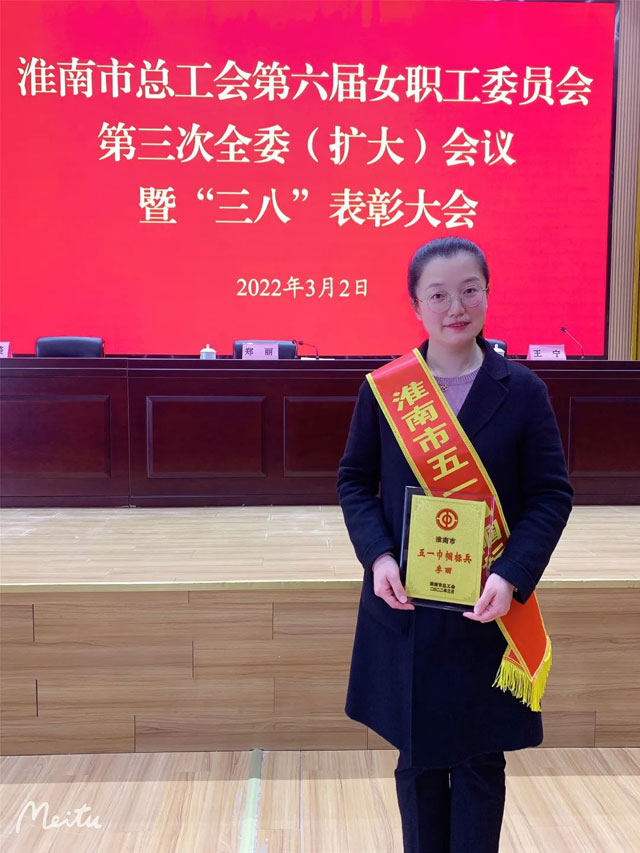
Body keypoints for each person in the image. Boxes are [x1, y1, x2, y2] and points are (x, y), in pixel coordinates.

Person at [337, 237, 574, 853]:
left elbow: (551, 495)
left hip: (486, 607)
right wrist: (378, 556)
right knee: (417, 761)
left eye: (470, 290)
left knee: (479, 763)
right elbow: (355, 481)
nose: (456, 307)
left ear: (487, 294)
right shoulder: (387, 390)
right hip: (408, 607)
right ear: (416, 305)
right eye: (438, 295)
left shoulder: (523, 390)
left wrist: (511, 574)